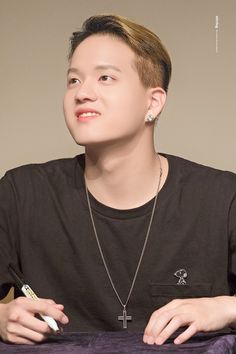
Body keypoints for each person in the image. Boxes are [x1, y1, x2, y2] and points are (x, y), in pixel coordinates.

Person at [0, 13, 236, 346]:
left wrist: (226, 307)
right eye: (73, 80)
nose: (83, 93)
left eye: (105, 78)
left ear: (152, 102)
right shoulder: (21, 193)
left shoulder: (222, 198)